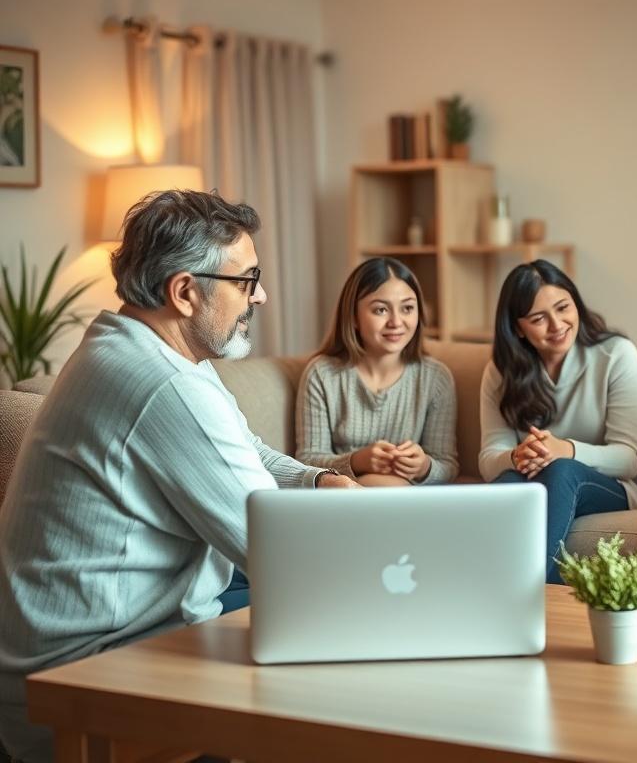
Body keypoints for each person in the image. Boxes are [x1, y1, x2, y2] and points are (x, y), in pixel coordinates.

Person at [0, 190, 356, 762]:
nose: (260, 295)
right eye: (247, 280)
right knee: (339, 647)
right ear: (185, 292)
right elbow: (278, 551)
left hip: (106, 646)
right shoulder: (163, 384)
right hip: (84, 679)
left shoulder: (141, 347)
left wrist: (317, 482)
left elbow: (248, 450)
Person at [478, 260, 637, 582]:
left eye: (563, 308)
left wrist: (565, 450)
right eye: (538, 318)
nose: (557, 325)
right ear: (518, 328)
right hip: (535, 480)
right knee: (507, 484)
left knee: (561, 470)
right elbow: (489, 459)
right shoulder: (501, 372)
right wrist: (516, 456)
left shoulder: (616, 354)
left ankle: (524, 591)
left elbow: (629, 458)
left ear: (576, 303)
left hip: (613, 486)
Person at [295, 257, 457, 486]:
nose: (396, 322)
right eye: (381, 310)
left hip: (408, 496)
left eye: (407, 308)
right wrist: (357, 461)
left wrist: (424, 467)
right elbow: (307, 460)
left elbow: (448, 465)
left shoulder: (436, 378)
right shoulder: (322, 374)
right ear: (353, 317)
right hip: (343, 494)